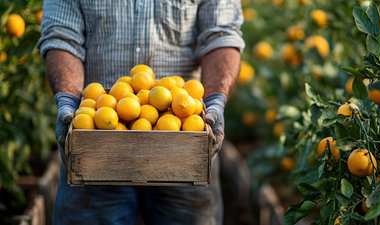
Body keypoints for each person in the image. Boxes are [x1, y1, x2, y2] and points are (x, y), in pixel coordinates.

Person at [37, 1, 245, 224]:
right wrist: (68, 100)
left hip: (184, 147)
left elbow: (221, 36)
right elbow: (62, 36)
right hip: (96, 145)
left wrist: (214, 102)